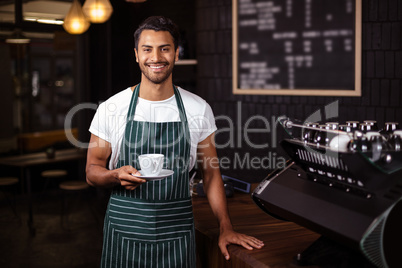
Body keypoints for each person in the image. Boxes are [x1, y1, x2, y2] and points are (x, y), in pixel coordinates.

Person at [86, 16, 264, 267]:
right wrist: (115, 176)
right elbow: (92, 171)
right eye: (147, 49)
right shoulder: (111, 108)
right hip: (124, 234)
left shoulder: (198, 108)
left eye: (164, 48)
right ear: (136, 54)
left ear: (176, 54)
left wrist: (226, 228)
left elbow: (212, 174)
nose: (155, 57)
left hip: (176, 236)